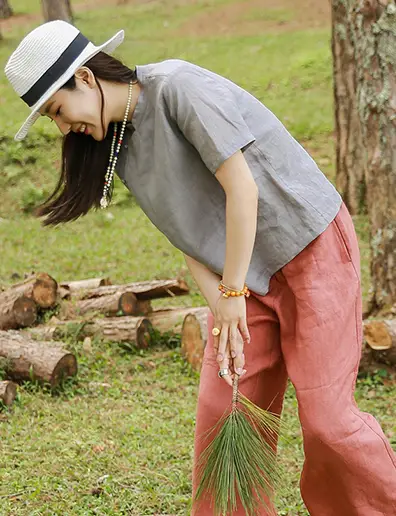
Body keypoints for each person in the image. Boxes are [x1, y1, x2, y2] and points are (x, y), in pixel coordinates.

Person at [5, 20, 396, 516]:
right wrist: (222, 306)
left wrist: (233, 295)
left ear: (85, 78)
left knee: (328, 423)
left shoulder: (178, 88)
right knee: (223, 412)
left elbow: (243, 188)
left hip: (308, 248)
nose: (62, 128)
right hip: (237, 274)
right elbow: (184, 232)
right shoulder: (115, 146)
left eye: (57, 111)